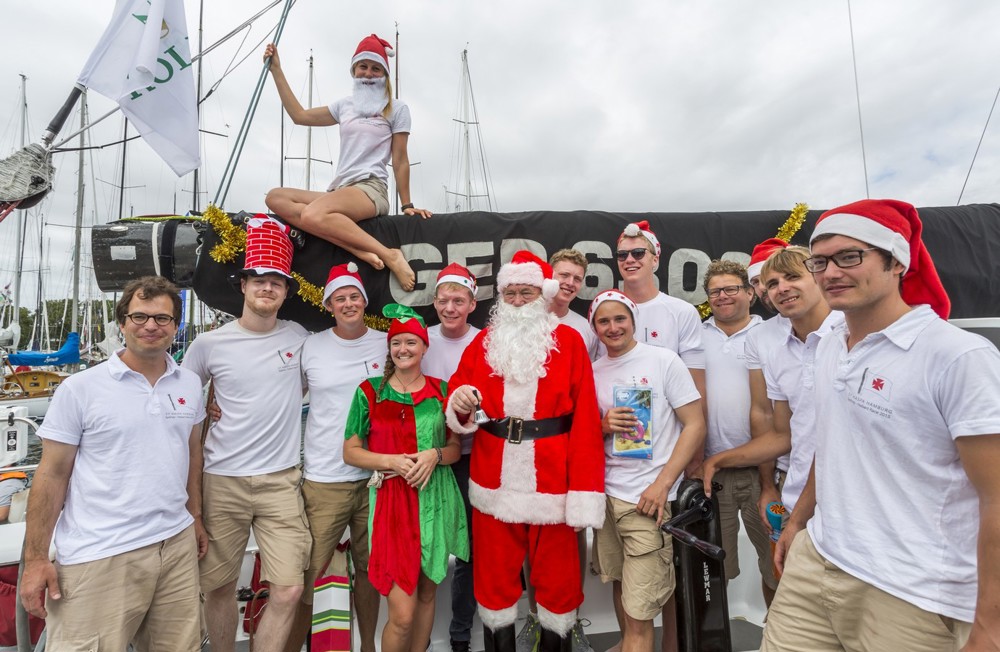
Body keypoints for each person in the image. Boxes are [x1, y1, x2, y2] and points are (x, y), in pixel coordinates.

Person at [762, 199, 1000, 651]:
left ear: (896, 262)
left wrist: (990, 627)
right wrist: (798, 523)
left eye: (850, 256)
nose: (831, 272)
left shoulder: (958, 357)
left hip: (910, 592)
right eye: (820, 261)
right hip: (819, 559)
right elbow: (831, 445)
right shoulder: (830, 344)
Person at [19, 276, 207, 650]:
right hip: (101, 553)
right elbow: (51, 474)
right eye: (139, 316)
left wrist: (196, 517)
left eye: (162, 318)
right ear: (122, 323)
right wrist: (36, 559)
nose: (150, 326)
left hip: (176, 547)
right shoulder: (81, 388)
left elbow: (192, 453)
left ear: (175, 326)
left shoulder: (188, 384)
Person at [446, 250, 605, 652]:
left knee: (559, 584)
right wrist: (459, 402)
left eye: (527, 293)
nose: (518, 301)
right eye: (511, 293)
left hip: (553, 481)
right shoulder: (483, 343)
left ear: (544, 294)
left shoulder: (568, 341)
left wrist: (585, 493)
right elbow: (459, 396)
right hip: (492, 479)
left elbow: (585, 420)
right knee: (493, 582)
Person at [183, 216, 311, 652]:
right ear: (242, 285)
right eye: (258, 279)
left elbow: (323, 382)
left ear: (286, 291)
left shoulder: (300, 338)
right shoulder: (208, 345)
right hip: (222, 481)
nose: (267, 288)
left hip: (282, 481)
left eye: (277, 282)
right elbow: (175, 401)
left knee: (290, 587)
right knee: (216, 586)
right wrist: (205, 404)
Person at [343, 303, 469, 652]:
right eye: (397, 343)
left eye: (411, 343)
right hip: (392, 503)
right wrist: (392, 462)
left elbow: (456, 447)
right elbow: (351, 451)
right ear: (389, 348)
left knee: (428, 594)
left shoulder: (443, 391)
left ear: (425, 347)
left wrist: (435, 454)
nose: (403, 349)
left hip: (435, 497)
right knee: (401, 613)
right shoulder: (369, 392)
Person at [263, 34, 432, 292]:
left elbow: (399, 159)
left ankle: (389, 255)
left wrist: (406, 204)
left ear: (384, 74)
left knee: (312, 214)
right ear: (354, 70)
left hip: (370, 189)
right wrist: (277, 70)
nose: (368, 73)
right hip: (340, 190)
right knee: (275, 198)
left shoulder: (396, 109)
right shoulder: (345, 106)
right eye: (363, 66)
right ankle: (357, 248)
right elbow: (299, 115)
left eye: (376, 68)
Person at [589, 290, 706, 652]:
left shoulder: (663, 360)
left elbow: (695, 425)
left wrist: (662, 484)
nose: (613, 327)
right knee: (622, 589)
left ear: (633, 320)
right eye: (603, 321)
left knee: (641, 613)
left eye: (619, 318)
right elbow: (584, 434)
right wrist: (603, 426)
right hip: (607, 498)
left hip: (648, 499)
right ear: (594, 327)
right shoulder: (591, 372)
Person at [283, 262, 387, 652]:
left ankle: (368, 647)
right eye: (339, 298)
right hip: (324, 478)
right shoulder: (312, 345)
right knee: (306, 575)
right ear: (328, 305)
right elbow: (281, 396)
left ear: (364, 300)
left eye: (353, 296)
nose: (348, 303)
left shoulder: (385, 342)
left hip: (376, 478)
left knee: (370, 573)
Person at [700, 247, 842, 518]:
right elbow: (782, 433)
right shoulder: (777, 347)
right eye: (773, 283)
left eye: (792, 277)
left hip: (854, 493)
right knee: (786, 558)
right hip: (795, 485)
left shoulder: (854, 332)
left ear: (819, 277)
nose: (781, 288)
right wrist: (717, 460)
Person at [698, 260, 777, 606]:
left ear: (750, 292)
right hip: (713, 475)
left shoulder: (774, 334)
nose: (723, 296)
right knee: (714, 573)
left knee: (777, 566)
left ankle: (778, 640)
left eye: (732, 288)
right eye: (715, 291)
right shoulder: (695, 337)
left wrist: (770, 478)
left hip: (770, 471)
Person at [421, 263, 481, 652]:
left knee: (472, 550)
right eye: (443, 300)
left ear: (472, 303)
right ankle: (418, 636)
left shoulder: (485, 342)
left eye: (458, 300)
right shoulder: (419, 341)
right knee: (426, 544)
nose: (450, 307)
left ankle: (460, 632)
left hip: (476, 459)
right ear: (434, 302)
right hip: (430, 457)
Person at [741, 238, 791, 535]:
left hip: (845, 474)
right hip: (787, 472)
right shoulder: (760, 337)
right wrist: (768, 484)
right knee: (781, 565)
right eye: (759, 282)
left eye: (784, 276)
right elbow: (762, 413)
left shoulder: (842, 324)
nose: (768, 287)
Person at [549, 248, 599, 360]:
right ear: (549, 275)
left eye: (577, 279)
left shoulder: (587, 329)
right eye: (564, 275)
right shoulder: (528, 318)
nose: (570, 283)